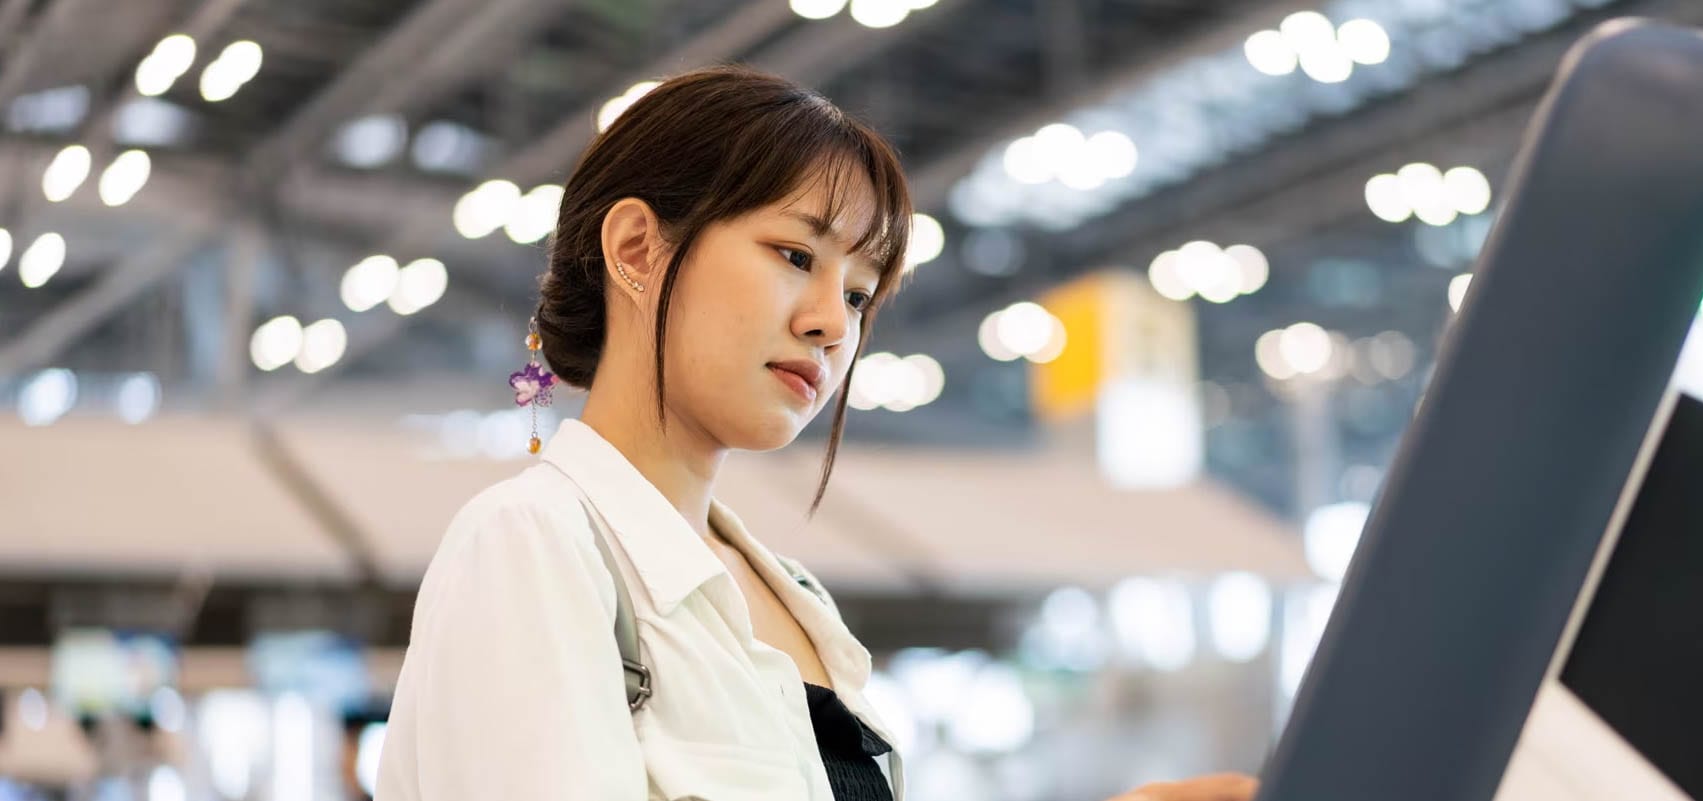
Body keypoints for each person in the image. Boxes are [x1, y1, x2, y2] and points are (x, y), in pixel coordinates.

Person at [373, 66, 1258, 801]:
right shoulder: (532, 543)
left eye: (860, 293)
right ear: (637, 248)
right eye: (796, 256)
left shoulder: (792, 595)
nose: (833, 323)